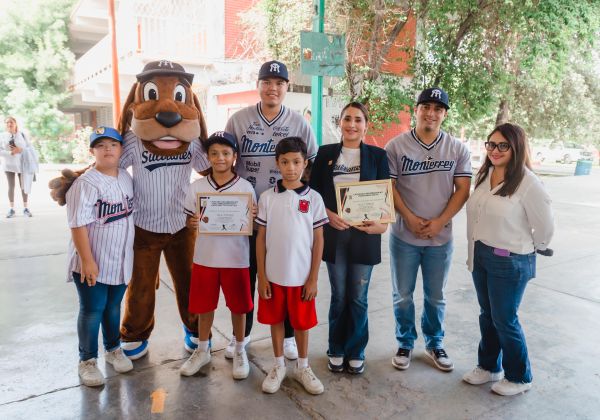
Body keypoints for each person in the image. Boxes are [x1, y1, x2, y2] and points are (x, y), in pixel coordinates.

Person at [224, 60, 318, 360]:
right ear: (259, 85)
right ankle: (244, 334)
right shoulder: (238, 120)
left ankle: (289, 335)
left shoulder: (299, 123)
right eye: (267, 82)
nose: (272, 88)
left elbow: (311, 164)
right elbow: (225, 161)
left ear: (287, 88)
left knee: (287, 275)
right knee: (249, 275)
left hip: (286, 215)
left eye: (279, 83)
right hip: (246, 215)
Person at [385, 87, 472, 372]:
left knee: (436, 295)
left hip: (440, 236)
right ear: (417, 110)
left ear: (444, 115)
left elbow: (462, 190)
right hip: (404, 235)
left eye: (438, 109)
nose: (431, 113)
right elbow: (390, 187)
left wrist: (440, 221)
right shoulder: (396, 147)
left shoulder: (457, 148)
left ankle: (435, 342)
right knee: (403, 294)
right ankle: (405, 342)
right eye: (426, 107)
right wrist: (408, 217)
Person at [463, 123, 553, 396]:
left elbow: (546, 226)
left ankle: (519, 376)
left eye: (503, 145)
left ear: (516, 148)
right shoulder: (485, 174)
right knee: (487, 316)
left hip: (510, 261)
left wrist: (533, 247)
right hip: (481, 254)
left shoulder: (528, 182)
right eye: (491, 144)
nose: (495, 150)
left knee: (505, 319)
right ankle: (489, 367)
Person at [309, 102, 390, 374]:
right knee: (339, 295)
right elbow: (315, 193)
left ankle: (356, 349)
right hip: (334, 234)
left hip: (364, 236)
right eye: (347, 119)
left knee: (358, 297)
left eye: (358, 119)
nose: (352, 124)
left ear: (366, 125)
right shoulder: (325, 154)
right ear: (340, 122)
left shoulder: (378, 156)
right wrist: (329, 214)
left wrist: (381, 226)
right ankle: (336, 347)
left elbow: (384, 198)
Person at [179, 132, 256, 380]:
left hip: (236, 258)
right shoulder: (197, 188)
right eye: (214, 153)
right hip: (206, 258)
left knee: (239, 306)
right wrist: (191, 222)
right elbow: (189, 218)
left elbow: (252, 225)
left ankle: (240, 348)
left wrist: (250, 218)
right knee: (204, 306)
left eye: (225, 153)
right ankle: (203, 349)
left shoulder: (245, 188)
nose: (220, 158)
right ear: (207, 156)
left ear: (235, 156)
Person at [255, 137, 328, 395]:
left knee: (301, 323)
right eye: (285, 162)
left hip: (301, 277)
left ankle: (303, 366)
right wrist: (262, 277)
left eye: (296, 162)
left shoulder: (314, 199)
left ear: (305, 163)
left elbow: (318, 240)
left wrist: (313, 279)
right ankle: (278, 365)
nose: (290, 167)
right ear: (277, 163)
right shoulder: (267, 198)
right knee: (275, 320)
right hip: (273, 276)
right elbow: (261, 238)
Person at [65, 127, 135, 387]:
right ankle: (87, 361)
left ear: (120, 149)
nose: (108, 149)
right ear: (92, 151)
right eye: (101, 145)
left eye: (113, 145)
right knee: (92, 310)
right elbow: (77, 224)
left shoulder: (126, 177)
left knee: (113, 307)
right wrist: (87, 260)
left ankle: (113, 348)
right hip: (92, 259)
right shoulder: (86, 183)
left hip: (119, 258)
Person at [0, 117, 33, 218]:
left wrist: (20, 149)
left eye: (11, 122)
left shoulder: (22, 135)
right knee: (11, 186)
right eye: (7, 122)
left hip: (22, 164)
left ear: (15, 123)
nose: (9, 124)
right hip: (8, 165)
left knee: (24, 186)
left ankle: (25, 208)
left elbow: (30, 148)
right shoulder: (2, 136)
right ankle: (11, 209)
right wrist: (10, 152)